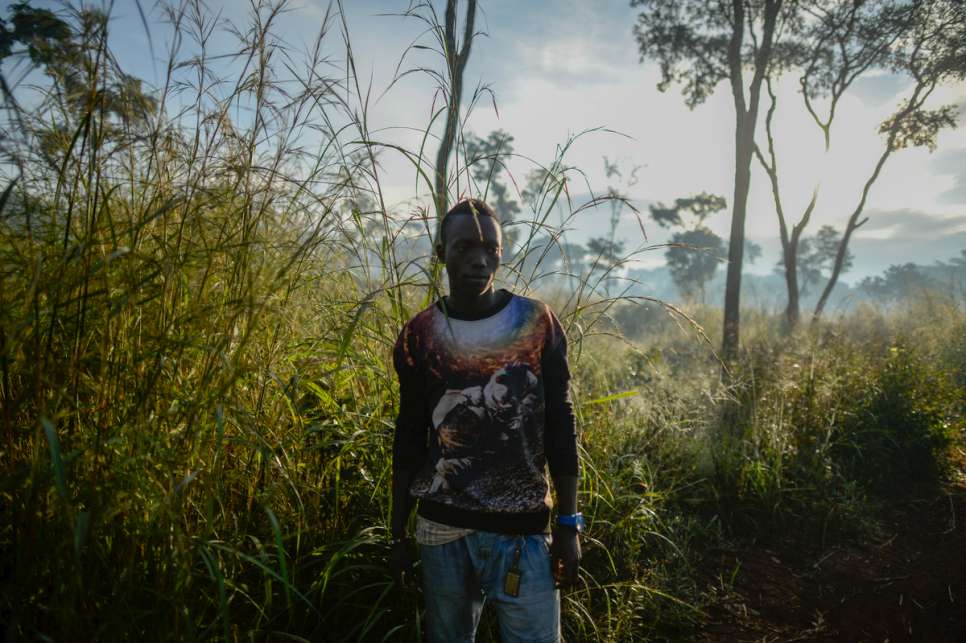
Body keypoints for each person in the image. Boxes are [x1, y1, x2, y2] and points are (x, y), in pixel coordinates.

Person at [389, 198, 583, 642]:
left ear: (501, 251)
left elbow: (561, 423)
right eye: (463, 248)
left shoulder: (536, 323)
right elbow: (409, 435)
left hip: (522, 535)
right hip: (441, 531)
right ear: (440, 253)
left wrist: (569, 524)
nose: (479, 261)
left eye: (490, 249)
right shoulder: (421, 334)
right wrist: (398, 534)